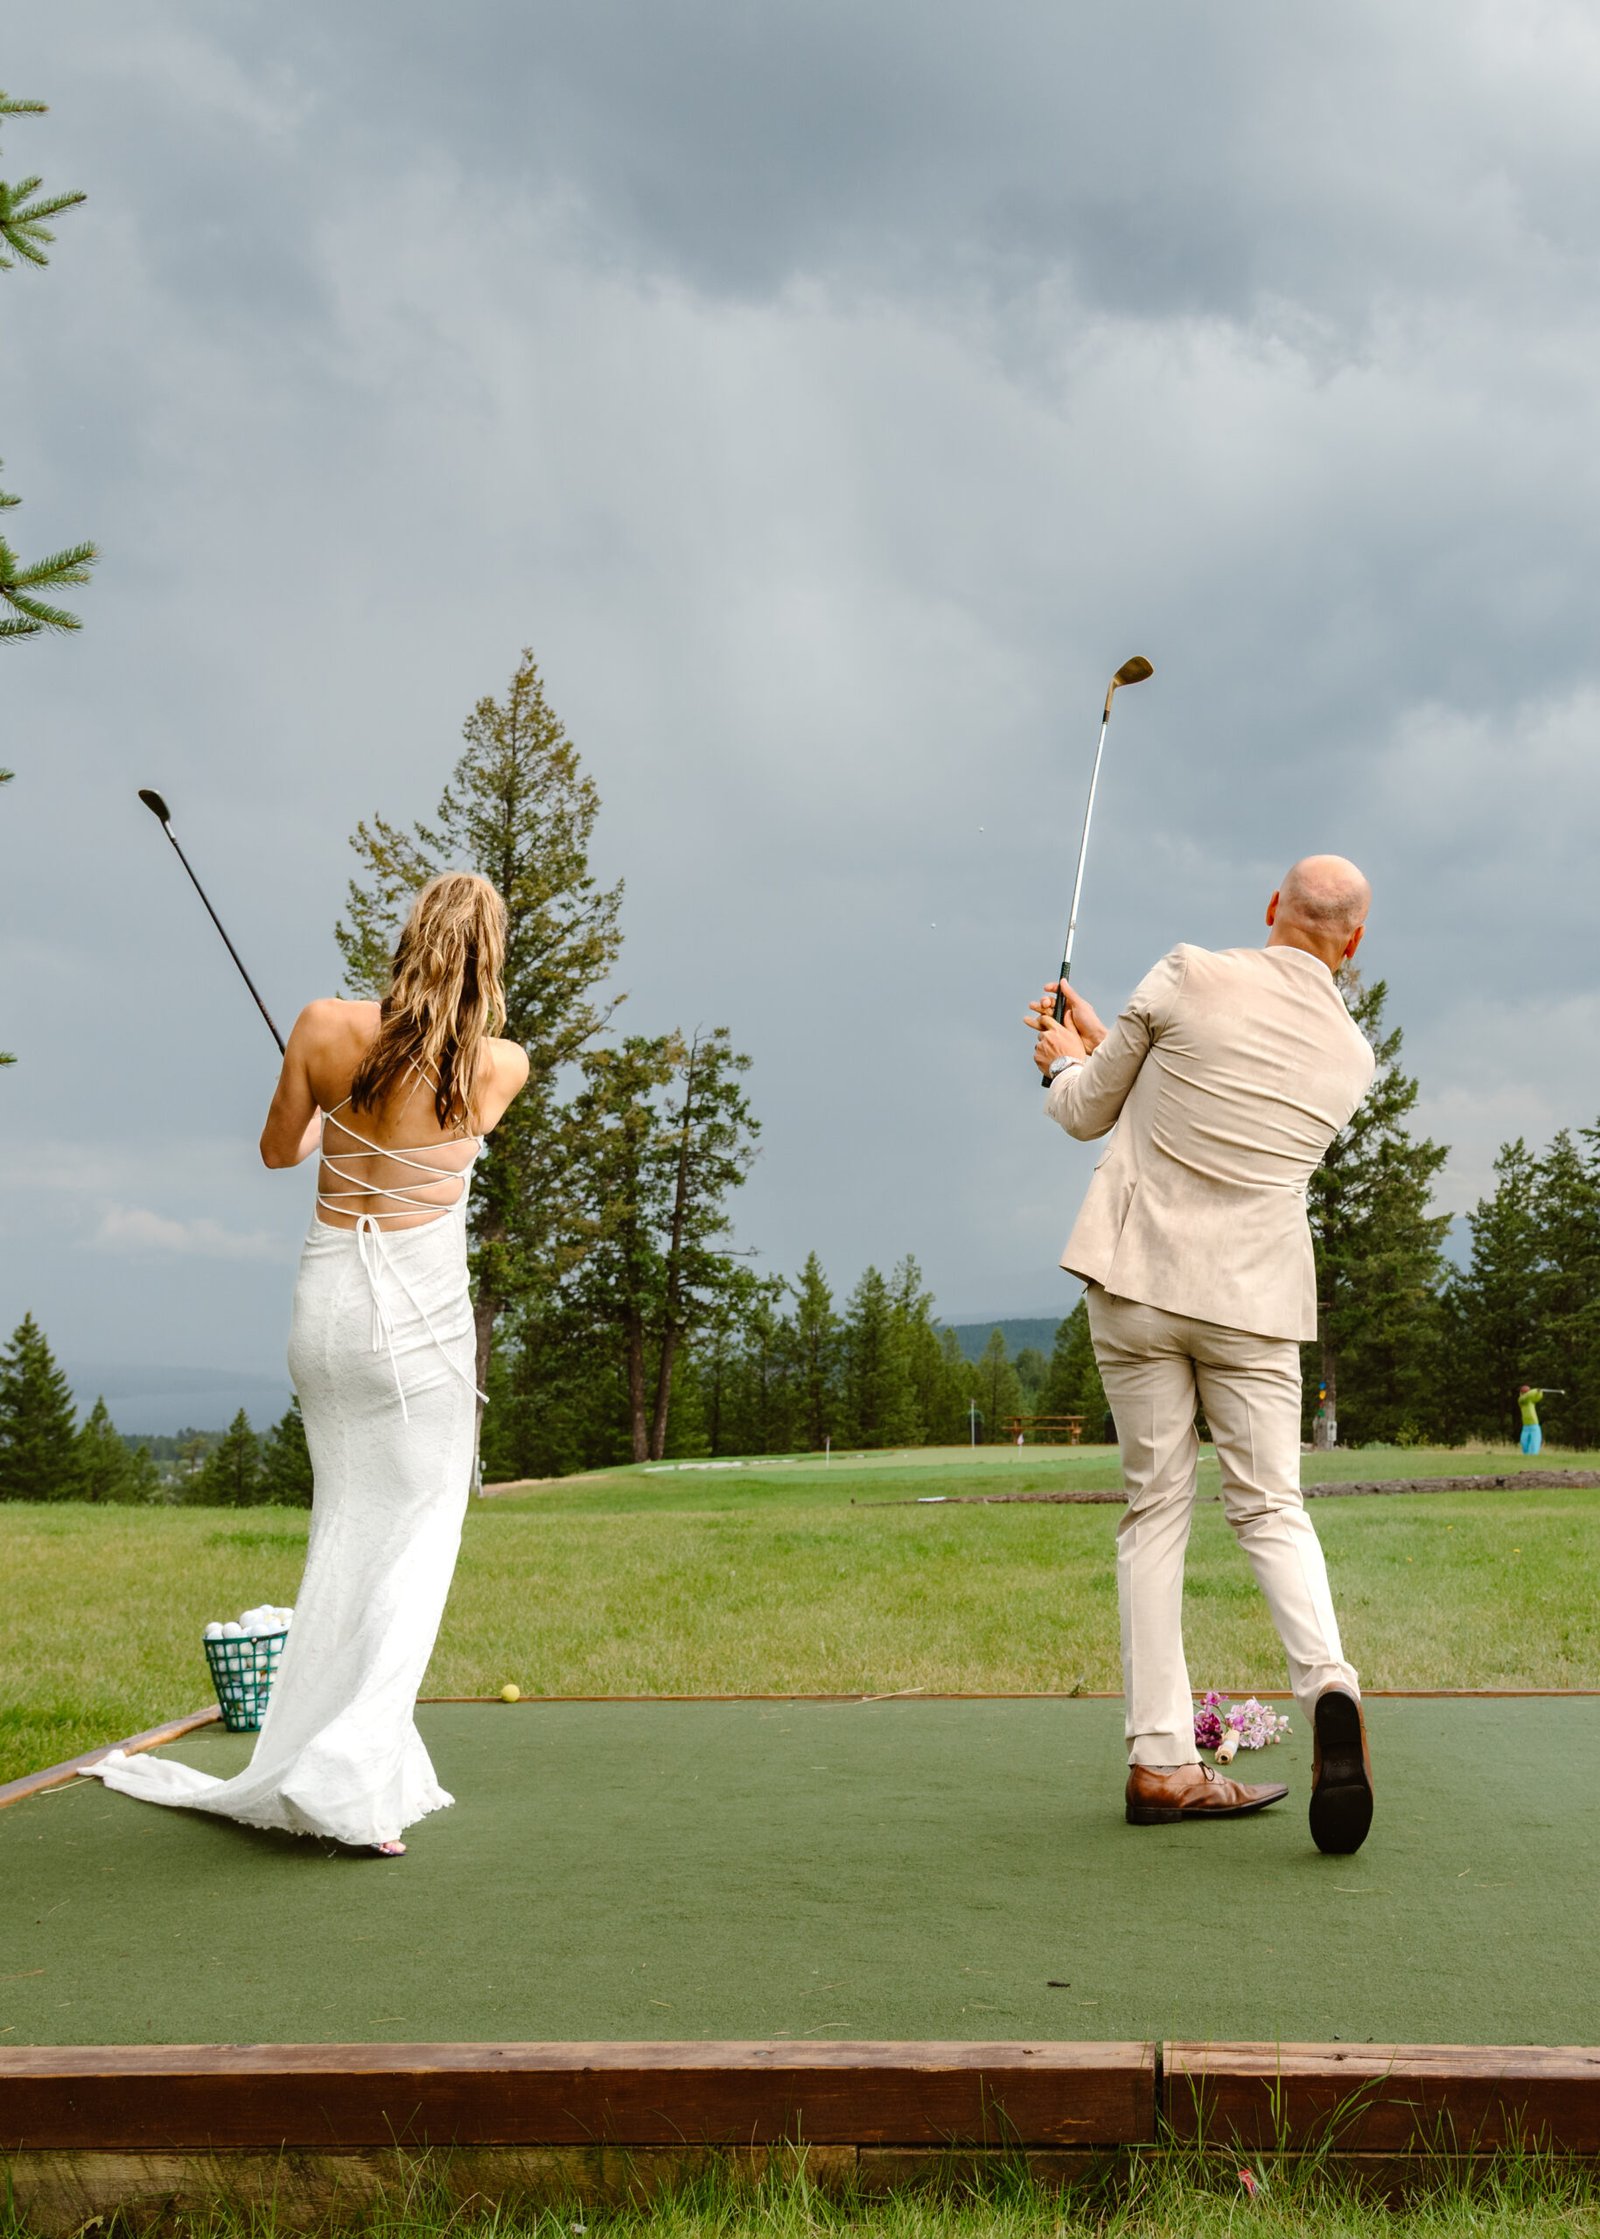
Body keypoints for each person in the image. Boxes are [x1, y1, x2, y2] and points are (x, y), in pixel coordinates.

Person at [85, 873, 529, 1855]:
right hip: (416, 1328)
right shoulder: (499, 1063)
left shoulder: (323, 1023)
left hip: (327, 1315)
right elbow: (445, 1130)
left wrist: (338, 1105)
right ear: (489, 958)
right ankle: (346, 1778)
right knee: (411, 1551)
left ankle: (349, 1749)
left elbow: (280, 1151)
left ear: (410, 937)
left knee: (347, 1534)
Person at [1026, 856, 1377, 1854]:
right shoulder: (1352, 1059)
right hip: (1252, 1301)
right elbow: (1217, 1110)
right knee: (1270, 1506)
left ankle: (1159, 1756)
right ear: (1351, 942)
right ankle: (1328, 1686)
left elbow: (1089, 1110)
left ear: (1271, 909)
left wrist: (1063, 1053)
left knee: (1154, 1511)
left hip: (1136, 1283)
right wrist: (1109, 1049)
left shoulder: (1183, 971)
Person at [1517, 1386, 1563, 1457]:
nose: (1523, 1394)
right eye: (1522, 1393)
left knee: (1534, 1444)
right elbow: (1527, 1396)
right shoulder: (1521, 1400)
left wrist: (1539, 1392)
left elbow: (1538, 1397)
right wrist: (1536, 1390)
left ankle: (1533, 1458)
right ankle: (1526, 1456)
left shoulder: (1531, 1401)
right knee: (1524, 1443)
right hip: (1525, 1427)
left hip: (1534, 1426)